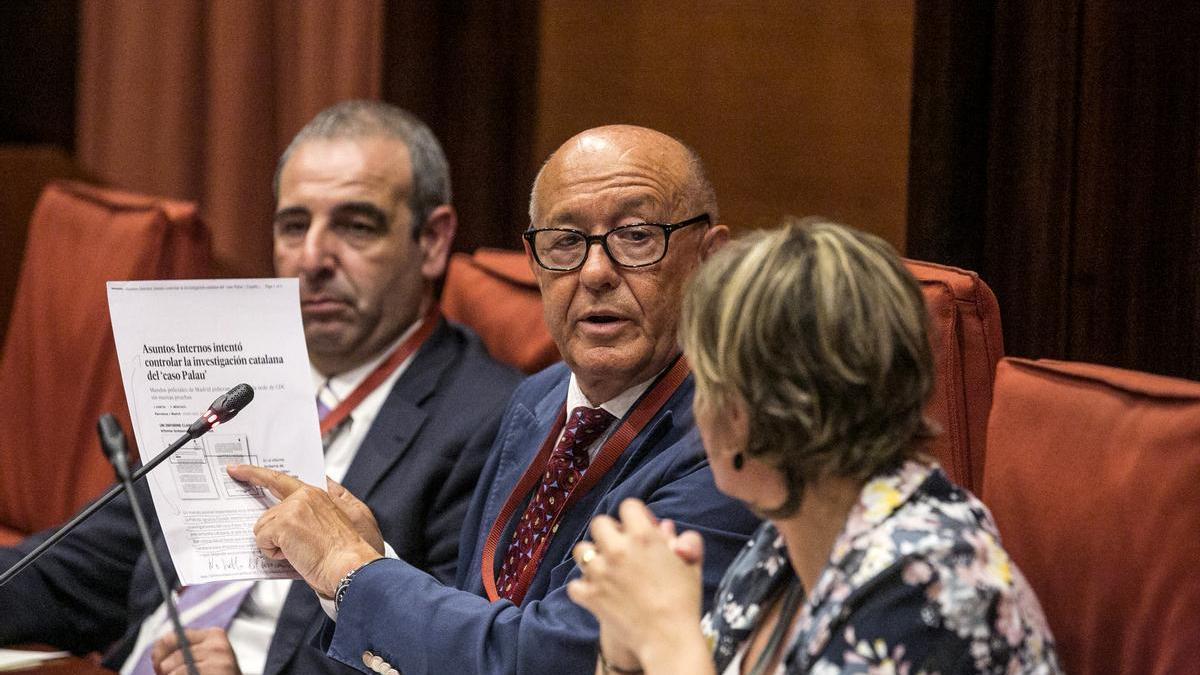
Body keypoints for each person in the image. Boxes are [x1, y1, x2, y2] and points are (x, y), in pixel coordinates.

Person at [0, 101, 521, 675]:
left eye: (355, 226)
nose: (312, 257)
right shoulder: (237, 383)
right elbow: (85, 564)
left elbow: (449, 651)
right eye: (294, 226)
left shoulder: (492, 420)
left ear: (432, 241)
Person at [223, 125, 762, 674]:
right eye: (565, 242)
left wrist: (350, 569)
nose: (596, 272)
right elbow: (478, 615)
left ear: (710, 260)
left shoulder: (733, 444)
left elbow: (555, 659)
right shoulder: (537, 398)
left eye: (637, 235)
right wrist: (374, 559)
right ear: (534, 261)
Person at [566, 219, 1062, 674]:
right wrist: (624, 649)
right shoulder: (786, 537)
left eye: (705, 383)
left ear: (747, 415)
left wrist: (666, 639)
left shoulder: (934, 582)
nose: (697, 408)